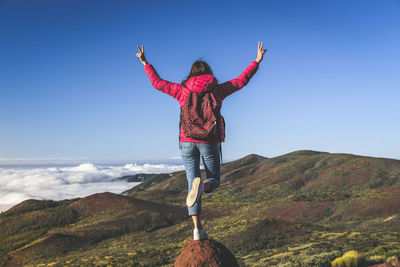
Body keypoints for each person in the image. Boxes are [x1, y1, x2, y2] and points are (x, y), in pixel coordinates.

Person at [136, 42, 266, 240]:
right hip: (209, 140)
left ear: (191, 74)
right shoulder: (217, 90)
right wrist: (256, 61)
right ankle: (203, 187)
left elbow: (158, 83)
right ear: (209, 73)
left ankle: (197, 231)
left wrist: (145, 63)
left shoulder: (182, 90)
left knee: (191, 184)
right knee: (213, 179)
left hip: (186, 141)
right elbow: (241, 81)